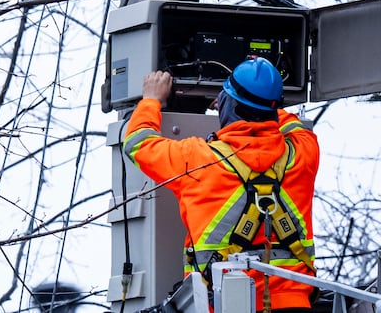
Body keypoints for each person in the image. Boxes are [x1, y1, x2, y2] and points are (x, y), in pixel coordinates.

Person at [122, 57, 320, 313]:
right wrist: (254, 98)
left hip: (225, 305)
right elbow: (289, 121)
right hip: (294, 306)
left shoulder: (196, 159)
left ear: (229, 104)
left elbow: (138, 142)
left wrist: (151, 99)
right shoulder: (304, 153)